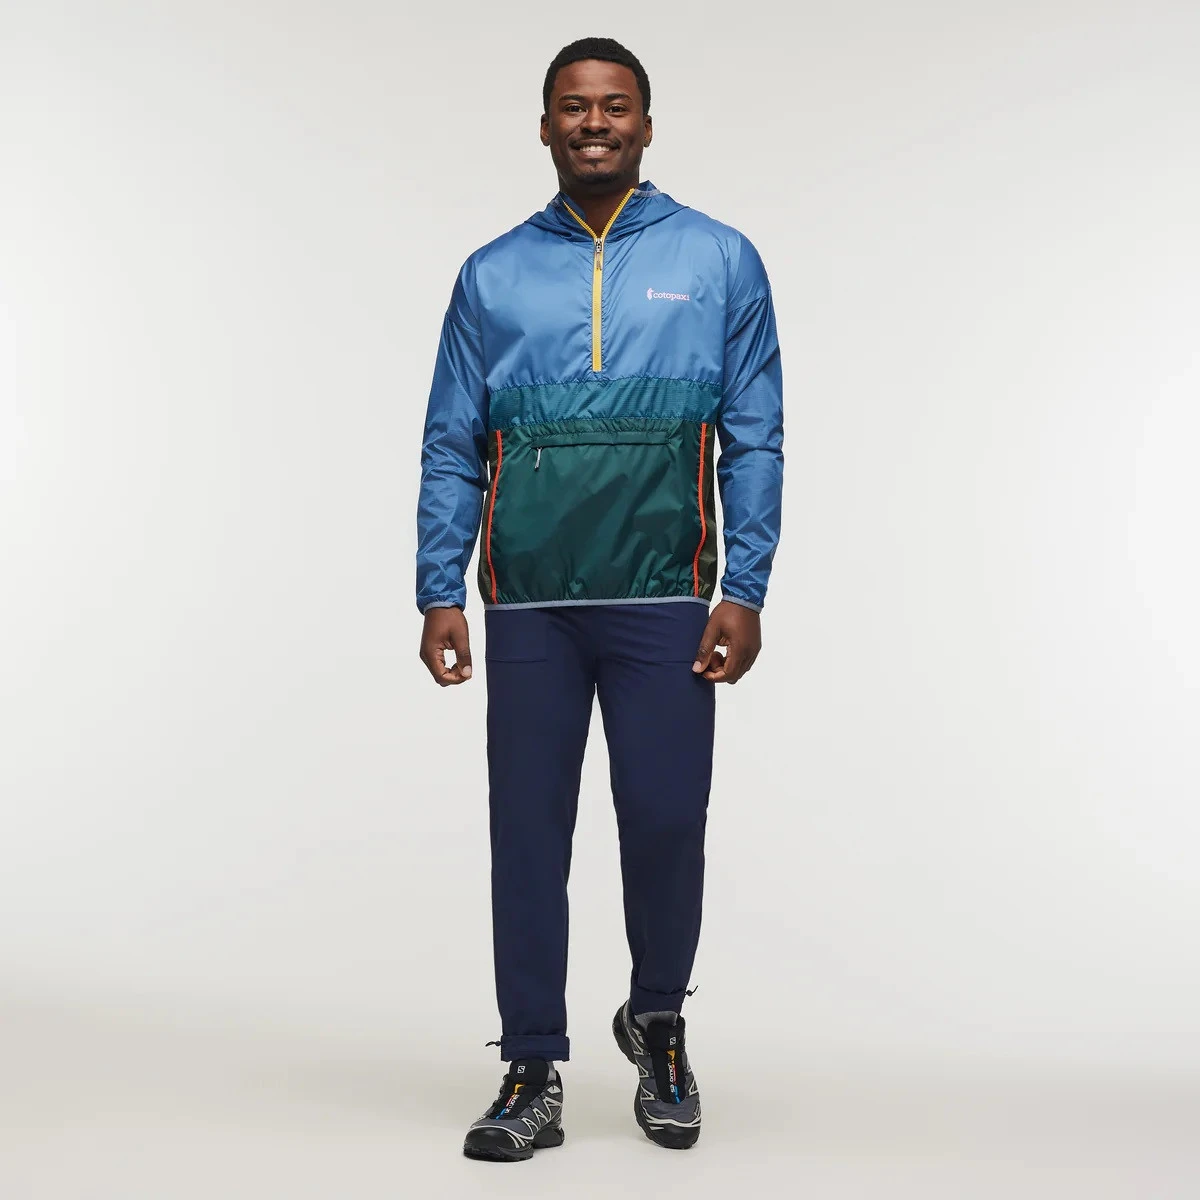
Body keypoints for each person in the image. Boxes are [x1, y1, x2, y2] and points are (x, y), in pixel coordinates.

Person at [416, 36, 784, 1161]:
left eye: (614, 106)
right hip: (528, 599)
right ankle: (532, 1065)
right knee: (527, 833)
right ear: (543, 127)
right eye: (573, 107)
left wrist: (745, 586)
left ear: (647, 125)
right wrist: (438, 588)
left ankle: (658, 1023)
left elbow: (756, 433)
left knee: (667, 822)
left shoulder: (719, 258)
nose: (593, 123)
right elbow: (451, 442)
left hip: (665, 594)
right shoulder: (490, 273)